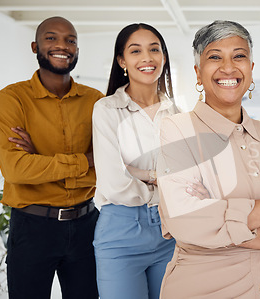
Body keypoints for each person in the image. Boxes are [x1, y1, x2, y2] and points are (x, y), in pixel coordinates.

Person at [156, 20, 260, 298]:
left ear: (251, 70)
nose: (228, 67)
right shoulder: (177, 131)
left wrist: (219, 223)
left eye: (239, 56)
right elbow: (186, 223)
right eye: (214, 57)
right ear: (198, 73)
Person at [0, 16, 103, 299]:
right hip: (32, 228)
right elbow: (16, 169)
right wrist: (86, 160)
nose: (62, 46)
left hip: (86, 225)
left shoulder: (96, 101)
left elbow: (110, 166)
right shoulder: (12, 98)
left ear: (77, 50)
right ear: (35, 46)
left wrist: (40, 159)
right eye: (51, 38)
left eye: (71, 40)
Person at [91, 23, 178, 299]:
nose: (147, 58)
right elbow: (115, 182)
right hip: (121, 232)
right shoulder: (106, 109)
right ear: (122, 61)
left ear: (163, 56)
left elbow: (187, 179)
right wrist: (160, 177)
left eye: (154, 49)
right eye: (135, 50)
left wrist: (140, 172)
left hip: (170, 230)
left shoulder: (176, 113)